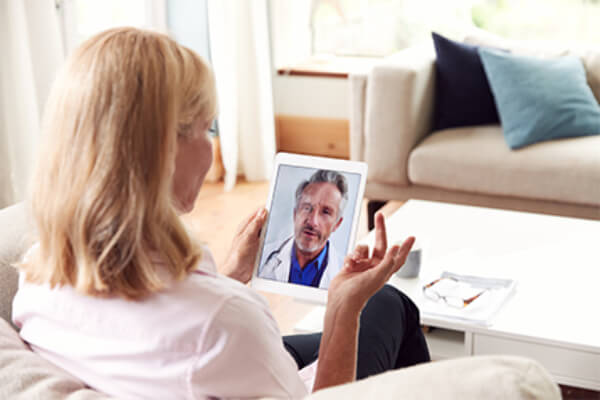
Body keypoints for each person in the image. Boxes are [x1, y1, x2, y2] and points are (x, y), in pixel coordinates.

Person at [12, 27, 429, 400]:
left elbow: (167, 346)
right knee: (391, 305)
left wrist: (229, 273)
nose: (211, 149)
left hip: (207, 370)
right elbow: (207, 335)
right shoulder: (225, 320)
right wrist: (343, 306)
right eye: (208, 128)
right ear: (163, 152)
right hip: (233, 362)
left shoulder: (35, 275)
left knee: (383, 306)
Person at [259, 169, 347, 288]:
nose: (312, 222)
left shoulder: (345, 272)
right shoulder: (262, 257)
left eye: (326, 212)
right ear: (295, 214)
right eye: (306, 208)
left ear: (337, 224)